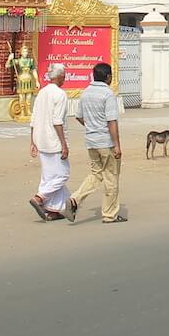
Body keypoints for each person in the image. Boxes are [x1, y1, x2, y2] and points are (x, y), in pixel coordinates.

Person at [69, 62, 125, 224]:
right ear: (108, 77)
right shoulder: (108, 94)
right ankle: (110, 214)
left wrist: (91, 126)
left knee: (96, 174)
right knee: (111, 177)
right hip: (106, 142)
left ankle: (75, 199)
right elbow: (111, 121)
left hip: (91, 142)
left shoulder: (86, 92)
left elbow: (78, 116)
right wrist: (117, 145)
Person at [27, 64, 71, 221]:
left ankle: (53, 210)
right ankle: (40, 197)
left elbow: (33, 119)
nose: (64, 79)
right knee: (62, 175)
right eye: (64, 76)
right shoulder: (60, 94)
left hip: (40, 139)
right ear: (60, 77)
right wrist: (64, 144)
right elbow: (57, 121)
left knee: (49, 177)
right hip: (54, 141)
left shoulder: (42, 93)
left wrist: (32, 141)